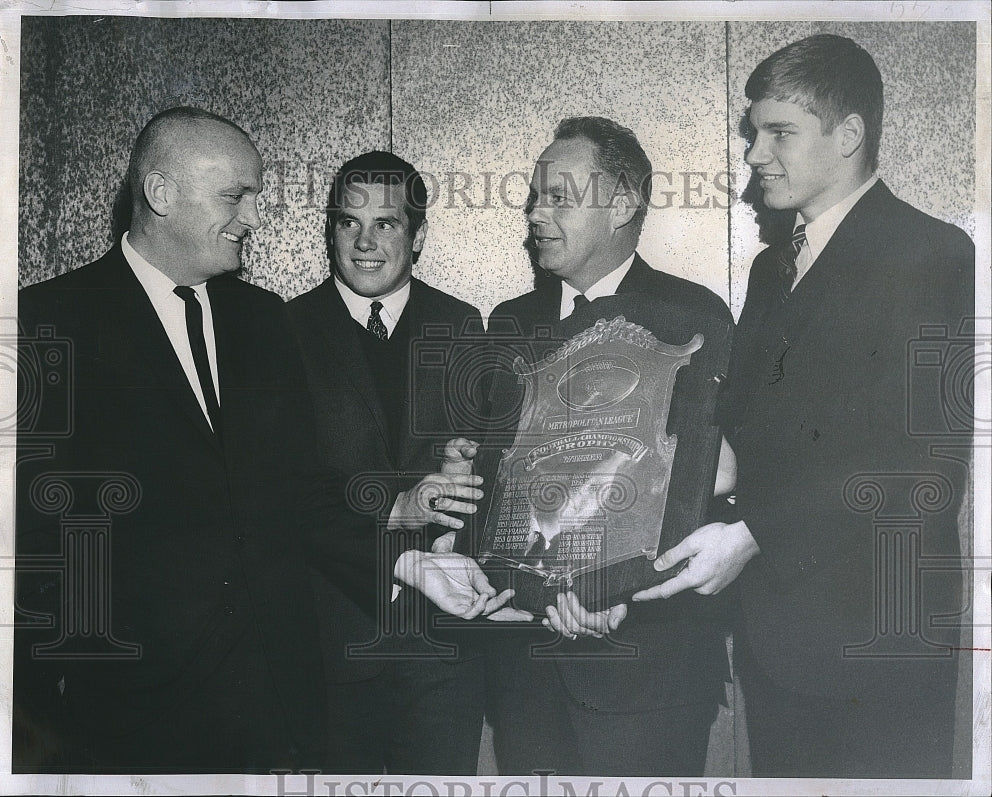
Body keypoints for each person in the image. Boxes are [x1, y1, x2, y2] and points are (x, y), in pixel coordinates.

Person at [633, 34, 974, 778]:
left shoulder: (935, 254)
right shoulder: (770, 268)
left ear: (848, 135)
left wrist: (753, 532)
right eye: (754, 131)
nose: (755, 153)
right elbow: (747, 444)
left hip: (877, 647)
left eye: (779, 131)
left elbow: (925, 468)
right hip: (777, 641)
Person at [12, 107, 346, 772]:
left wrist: (405, 546)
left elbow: (303, 493)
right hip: (124, 719)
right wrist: (35, 729)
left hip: (275, 711)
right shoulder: (46, 324)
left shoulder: (264, 321)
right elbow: (24, 540)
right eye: (235, 196)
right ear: (160, 194)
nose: (254, 217)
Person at [474, 116, 734, 776]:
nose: (536, 212)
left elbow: (700, 485)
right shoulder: (510, 325)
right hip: (527, 675)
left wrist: (615, 587)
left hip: (647, 673)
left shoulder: (693, 317)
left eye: (558, 196)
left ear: (621, 204)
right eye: (534, 196)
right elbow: (502, 484)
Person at [287, 150, 520, 775]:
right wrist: (396, 507)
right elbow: (282, 492)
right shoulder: (283, 332)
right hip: (330, 645)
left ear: (417, 236)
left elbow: (489, 478)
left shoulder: (462, 326)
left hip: (442, 648)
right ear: (330, 229)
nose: (364, 242)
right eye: (347, 221)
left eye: (386, 224)